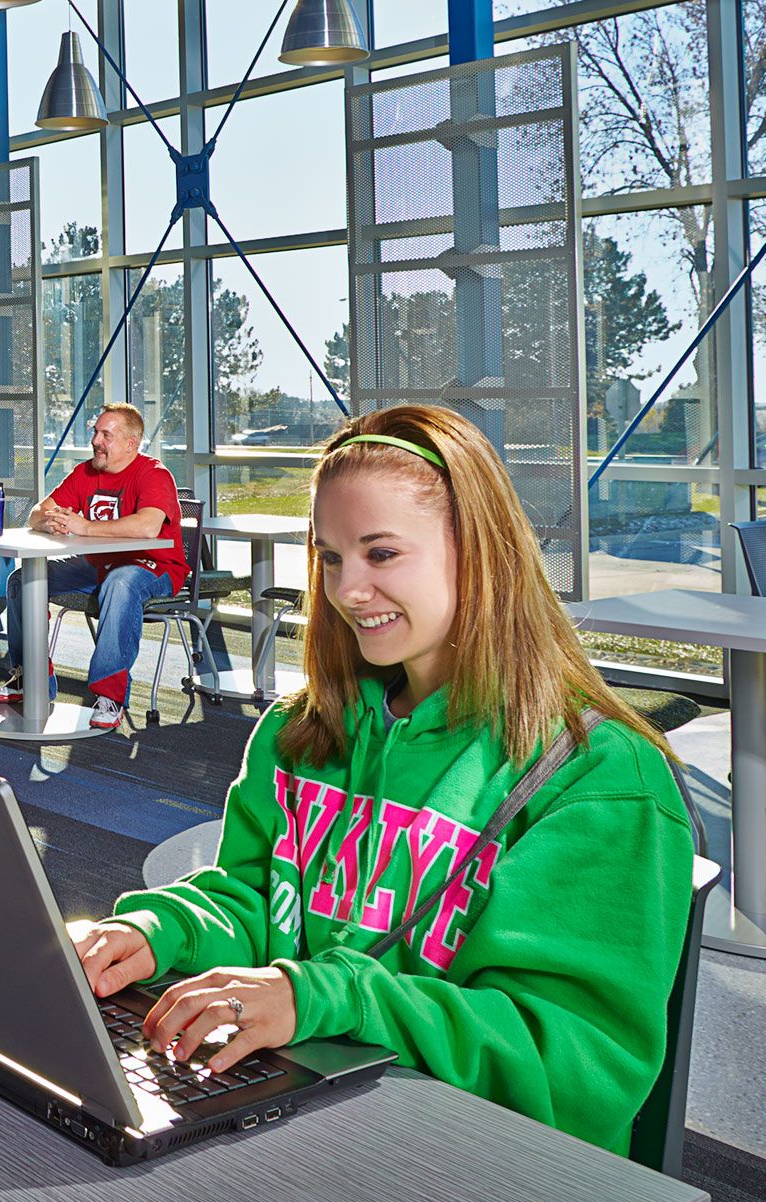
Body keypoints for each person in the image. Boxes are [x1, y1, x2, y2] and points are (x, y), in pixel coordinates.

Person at [70, 405, 695, 1156]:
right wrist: (159, 929)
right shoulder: (301, 732)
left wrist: (329, 996)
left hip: (480, 1167)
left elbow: (572, 1065)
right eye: (331, 557)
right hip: (312, 1131)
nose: (348, 589)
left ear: (480, 551)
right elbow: (255, 898)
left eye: (382, 553)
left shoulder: (599, 777)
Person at [3, 403, 190, 730]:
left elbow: (147, 527)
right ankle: (29, 679)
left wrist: (84, 527)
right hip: (96, 566)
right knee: (22, 581)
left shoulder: (154, 474)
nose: (96, 441)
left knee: (121, 583)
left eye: (106, 434)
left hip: (152, 567)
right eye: (95, 432)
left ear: (131, 444)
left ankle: (110, 696)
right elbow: (37, 512)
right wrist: (52, 524)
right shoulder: (84, 473)